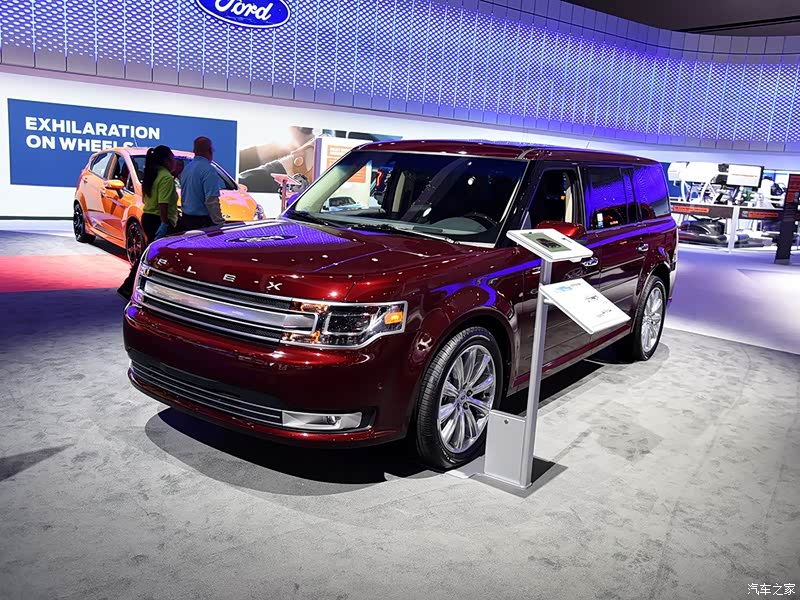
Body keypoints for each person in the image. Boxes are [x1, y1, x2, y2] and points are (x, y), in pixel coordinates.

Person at [117, 145, 179, 300]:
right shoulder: (166, 177)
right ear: (166, 160)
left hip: (149, 218)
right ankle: (131, 286)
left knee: (149, 254)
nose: (175, 162)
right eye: (173, 158)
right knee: (153, 256)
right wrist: (164, 224)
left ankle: (130, 286)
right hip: (160, 220)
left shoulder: (152, 174)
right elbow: (163, 204)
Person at [179, 136, 225, 230]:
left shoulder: (186, 169)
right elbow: (211, 200)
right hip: (202, 223)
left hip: (186, 220)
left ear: (194, 151)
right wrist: (219, 224)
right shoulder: (208, 170)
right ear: (210, 151)